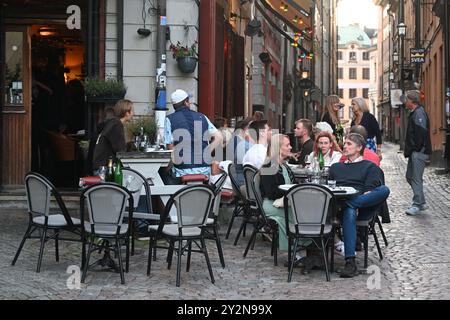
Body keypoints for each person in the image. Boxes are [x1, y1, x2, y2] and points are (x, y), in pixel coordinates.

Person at [329, 133, 390, 278]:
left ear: (359, 148)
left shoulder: (370, 167)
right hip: (340, 206)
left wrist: (355, 203)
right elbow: (330, 188)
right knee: (349, 211)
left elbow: (369, 190)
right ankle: (350, 262)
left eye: (349, 144)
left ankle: (351, 205)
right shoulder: (336, 167)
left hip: (362, 207)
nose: (345, 146)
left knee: (384, 190)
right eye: (345, 143)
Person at [164, 89, 222, 184]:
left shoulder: (169, 119)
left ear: (174, 105)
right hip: (204, 169)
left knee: (164, 174)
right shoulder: (202, 117)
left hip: (182, 171)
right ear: (186, 102)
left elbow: (170, 148)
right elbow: (218, 137)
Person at [402, 90, 432, 216]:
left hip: (419, 152)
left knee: (415, 178)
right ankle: (421, 201)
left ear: (411, 101)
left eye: (406, 99)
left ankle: (417, 204)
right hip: (415, 151)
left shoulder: (419, 113)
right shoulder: (415, 113)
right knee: (410, 176)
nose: (405, 101)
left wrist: (416, 149)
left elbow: (421, 133)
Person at [92, 99, 134, 172]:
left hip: (101, 165)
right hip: (105, 167)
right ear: (127, 112)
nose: (133, 114)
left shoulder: (112, 123)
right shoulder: (116, 125)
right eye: (132, 111)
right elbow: (120, 150)